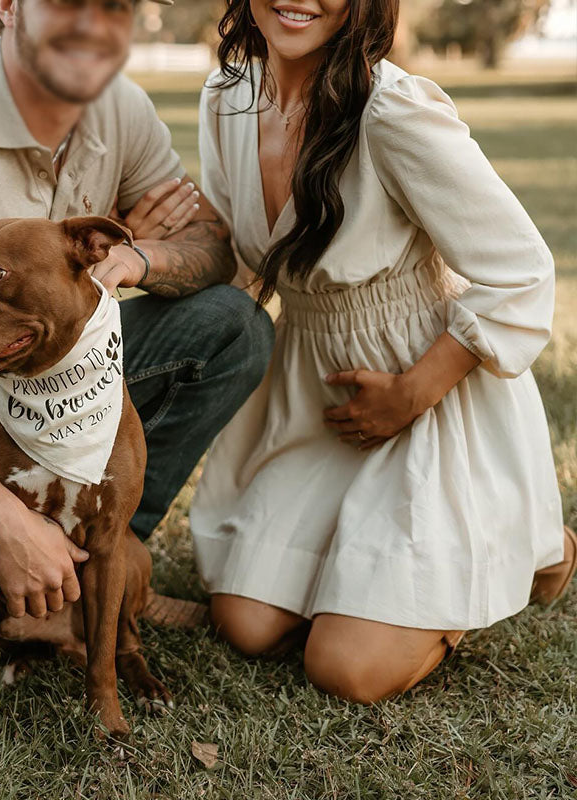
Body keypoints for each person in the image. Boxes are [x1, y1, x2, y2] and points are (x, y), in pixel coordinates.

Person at [188, 0, 576, 702]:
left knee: (346, 670)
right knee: (244, 623)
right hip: (313, 398)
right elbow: (237, 264)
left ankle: (528, 547)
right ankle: (368, 573)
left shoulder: (391, 113)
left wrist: (410, 395)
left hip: (423, 391)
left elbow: (522, 269)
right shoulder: (226, 99)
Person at [0, 0, 274, 623]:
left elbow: (213, 245)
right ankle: (17, 540)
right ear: (7, 6)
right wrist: (1, 519)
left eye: (113, 6)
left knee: (232, 323)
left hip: (52, 371)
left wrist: (137, 257)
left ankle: (101, 544)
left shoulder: (121, 108)